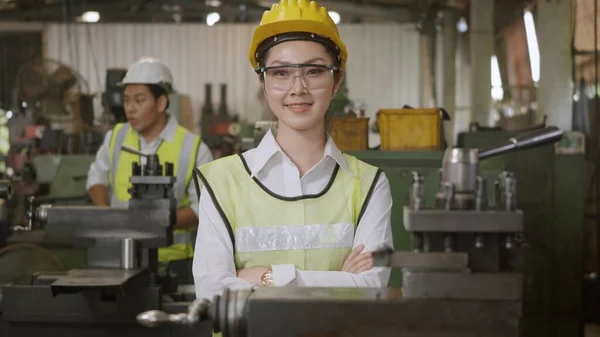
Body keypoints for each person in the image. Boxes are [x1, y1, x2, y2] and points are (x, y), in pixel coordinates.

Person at [192, 0, 393, 300]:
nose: (297, 88)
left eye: (314, 71)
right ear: (263, 82)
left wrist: (266, 277)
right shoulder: (221, 181)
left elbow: (370, 287)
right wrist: (339, 280)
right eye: (280, 73)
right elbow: (212, 293)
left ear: (336, 80)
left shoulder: (368, 185)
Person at [86, 56, 214, 268]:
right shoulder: (116, 137)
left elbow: (204, 208)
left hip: (172, 262)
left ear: (161, 103)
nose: (130, 109)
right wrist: (106, 216)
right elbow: (96, 177)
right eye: (126, 100)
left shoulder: (193, 148)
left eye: (139, 100)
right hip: (119, 257)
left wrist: (159, 221)